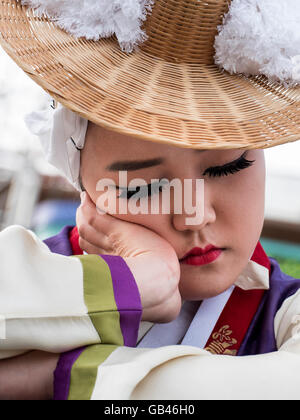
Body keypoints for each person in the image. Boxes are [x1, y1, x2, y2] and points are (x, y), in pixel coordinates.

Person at [0, 0, 300, 400]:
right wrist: (139, 284)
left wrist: (65, 375)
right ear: (82, 181)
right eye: (141, 188)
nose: (193, 215)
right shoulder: (28, 270)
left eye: (225, 169)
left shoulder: (285, 312)